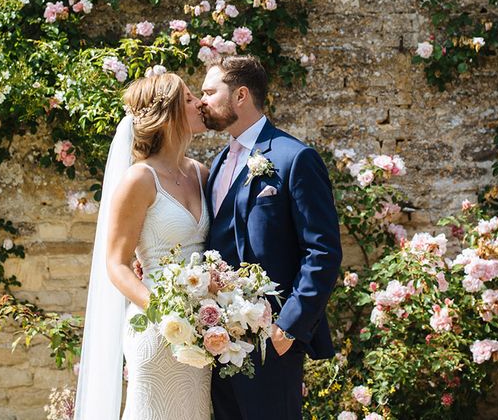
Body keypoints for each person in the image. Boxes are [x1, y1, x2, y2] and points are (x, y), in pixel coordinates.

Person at [201, 55, 342, 420]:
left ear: (240, 95)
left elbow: (322, 251)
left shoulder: (295, 158)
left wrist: (288, 327)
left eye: (210, 91)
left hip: (272, 343)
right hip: (219, 344)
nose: (202, 101)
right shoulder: (216, 164)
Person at [74, 72, 211, 420]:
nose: (200, 103)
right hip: (157, 327)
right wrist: (166, 311)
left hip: (204, 332)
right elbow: (117, 264)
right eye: (189, 98)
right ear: (169, 114)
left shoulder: (202, 174)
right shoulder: (139, 179)